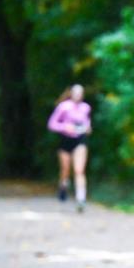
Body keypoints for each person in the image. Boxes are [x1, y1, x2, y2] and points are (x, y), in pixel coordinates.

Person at [47, 84, 92, 212]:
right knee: (65, 169)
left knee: (79, 170)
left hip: (80, 140)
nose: (78, 95)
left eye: (80, 93)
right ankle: (63, 186)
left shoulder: (86, 108)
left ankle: (81, 198)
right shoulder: (63, 107)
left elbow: (87, 122)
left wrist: (87, 128)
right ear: (71, 93)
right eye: (76, 93)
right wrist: (64, 127)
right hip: (65, 141)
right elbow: (51, 124)